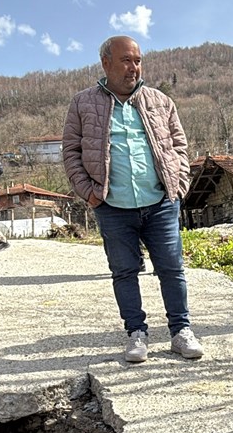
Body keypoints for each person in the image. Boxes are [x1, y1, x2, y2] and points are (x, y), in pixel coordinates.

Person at [61, 35, 204, 363]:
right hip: (112, 206)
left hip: (160, 203)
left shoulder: (160, 101)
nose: (133, 67)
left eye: (137, 60)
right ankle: (136, 333)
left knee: (172, 269)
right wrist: (89, 193)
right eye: (126, 60)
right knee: (124, 271)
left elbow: (180, 146)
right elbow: (71, 152)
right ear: (106, 63)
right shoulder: (83, 103)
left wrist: (178, 185)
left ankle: (180, 332)